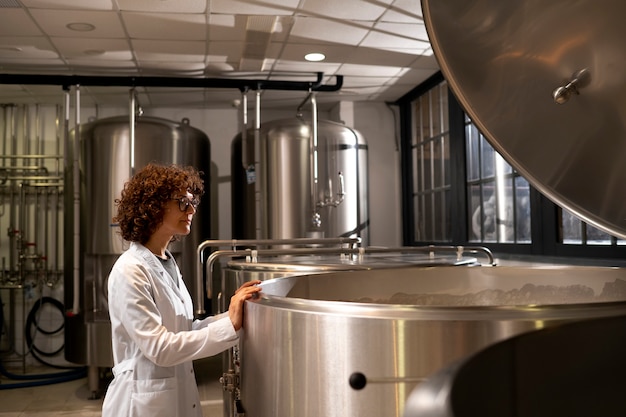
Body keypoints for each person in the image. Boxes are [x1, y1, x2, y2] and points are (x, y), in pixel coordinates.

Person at [101, 162, 261, 417]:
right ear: (153, 206)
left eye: (193, 203)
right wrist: (229, 325)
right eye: (182, 202)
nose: (191, 210)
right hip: (141, 404)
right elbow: (160, 349)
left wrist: (233, 314)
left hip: (173, 397)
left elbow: (185, 331)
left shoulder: (166, 262)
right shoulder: (129, 270)